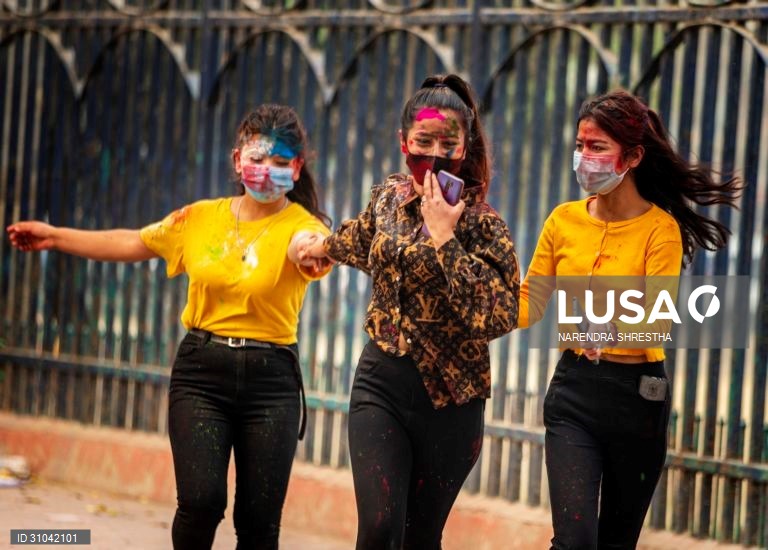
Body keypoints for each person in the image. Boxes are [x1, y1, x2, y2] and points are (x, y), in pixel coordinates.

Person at [6, 104, 332, 550]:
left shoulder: (303, 226)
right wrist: (55, 236)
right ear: (238, 160)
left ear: (296, 169)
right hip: (202, 375)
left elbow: (307, 247)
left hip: (271, 383)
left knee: (259, 523)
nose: (266, 170)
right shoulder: (199, 219)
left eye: (279, 161)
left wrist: (314, 249)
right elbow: (132, 241)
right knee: (201, 502)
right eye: (257, 158)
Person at [301, 74, 521, 549]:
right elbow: (362, 237)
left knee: (419, 537)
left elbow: (500, 315)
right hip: (381, 382)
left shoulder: (484, 226)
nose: (435, 154)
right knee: (380, 528)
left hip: (451, 399)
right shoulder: (388, 197)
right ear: (404, 142)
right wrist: (319, 247)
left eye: (448, 143)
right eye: (424, 141)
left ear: (465, 147)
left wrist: (445, 237)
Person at [518, 90, 742, 549]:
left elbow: (658, 321)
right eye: (580, 145)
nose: (584, 157)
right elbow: (529, 302)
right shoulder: (562, 220)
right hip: (574, 393)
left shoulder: (661, 230)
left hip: (637, 400)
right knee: (575, 541)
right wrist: (474, 311)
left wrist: (611, 327)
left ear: (633, 157)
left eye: (597, 147)